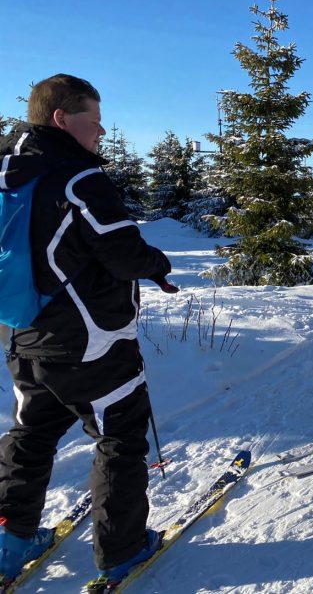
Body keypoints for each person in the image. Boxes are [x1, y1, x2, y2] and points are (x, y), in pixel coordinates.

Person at [0, 74, 175, 587]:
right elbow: (122, 251)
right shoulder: (78, 178)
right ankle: (121, 551)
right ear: (61, 119)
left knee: (30, 434)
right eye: (93, 122)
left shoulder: (8, 173)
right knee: (120, 434)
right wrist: (157, 263)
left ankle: (11, 541)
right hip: (90, 338)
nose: (101, 133)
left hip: (23, 331)